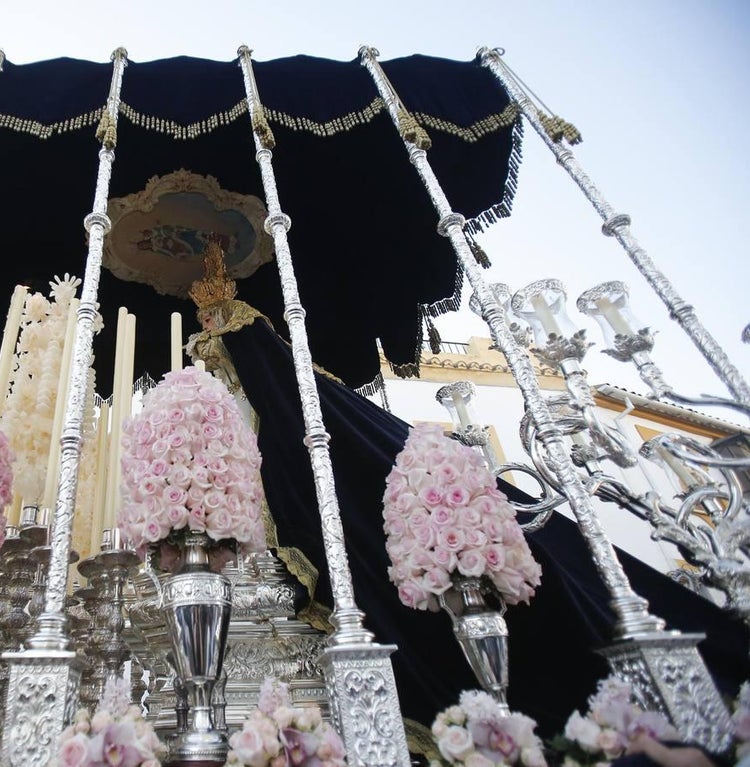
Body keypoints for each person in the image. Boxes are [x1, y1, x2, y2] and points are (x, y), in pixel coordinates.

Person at [183, 242, 749, 734]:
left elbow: (276, 388)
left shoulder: (262, 353)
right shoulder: (238, 382)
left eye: (212, 327)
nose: (208, 339)